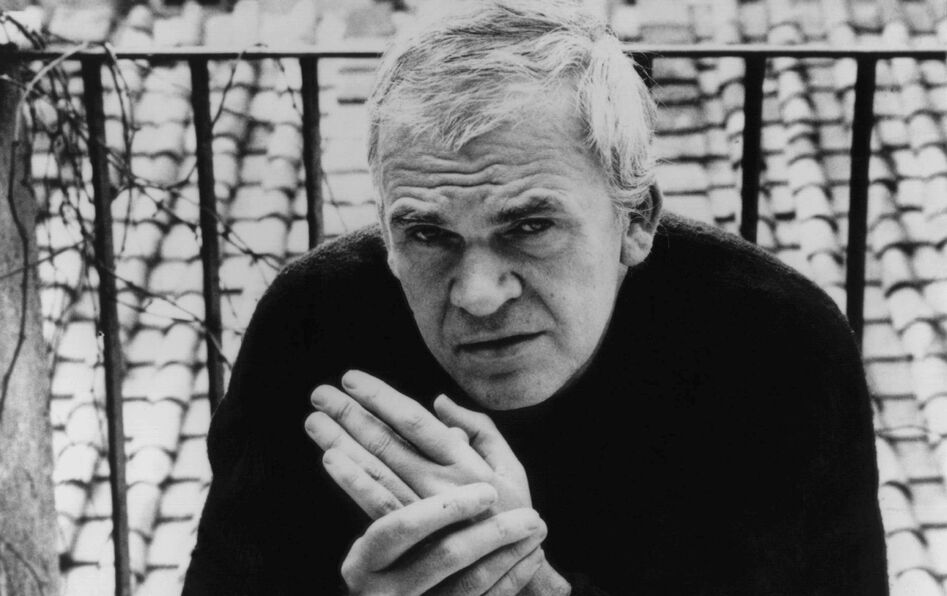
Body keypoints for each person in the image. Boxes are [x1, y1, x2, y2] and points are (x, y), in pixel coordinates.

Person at [182, 2, 887, 594]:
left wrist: (532, 588)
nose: (478, 295)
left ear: (636, 220)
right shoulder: (313, 327)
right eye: (427, 234)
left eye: (529, 227)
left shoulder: (773, 345)